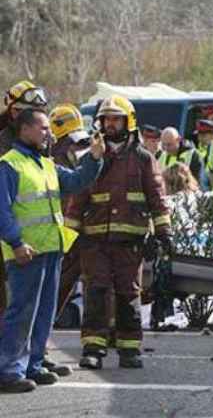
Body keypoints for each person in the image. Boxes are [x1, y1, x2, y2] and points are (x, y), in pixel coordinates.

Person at [0, 108, 104, 393]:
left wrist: (94, 158)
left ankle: (33, 365)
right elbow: (2, 211)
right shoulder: (9, 165)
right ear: (24, 130)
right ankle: (9, 371)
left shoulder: (45, 164)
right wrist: (16, 243)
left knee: (44, 312)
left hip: (50, 249)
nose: (49, 134)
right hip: (26, 253)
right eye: (43, 128)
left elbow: (76, 181)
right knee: (22, 311)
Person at [65, 96, 172, 371]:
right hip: (94, 240)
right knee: (96, 291)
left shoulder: (143, 159)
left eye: (116, 119)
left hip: (131, 242)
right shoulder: (91, 157)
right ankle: (93, 348)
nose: (110, 124)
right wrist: (68, 236)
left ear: (129, 122)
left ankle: (129, 349)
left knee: (128, 293)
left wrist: (164, 233)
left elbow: (157, 197)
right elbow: (77, 197)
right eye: (106, 119)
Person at [0, 82, 49, 340]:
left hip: (30, 237)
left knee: (33, 300)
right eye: (25, 111)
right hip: (8, 233)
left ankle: (32, 355)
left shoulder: (38, 144)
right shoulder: (4, 147)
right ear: (13, 113)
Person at [49, 105, 95, 347]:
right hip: (58, 235)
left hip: (81, 233)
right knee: (53, 292)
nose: (75, 145)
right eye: (69, 140)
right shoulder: (48, 162)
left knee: (83, 288)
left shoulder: (81, 153)